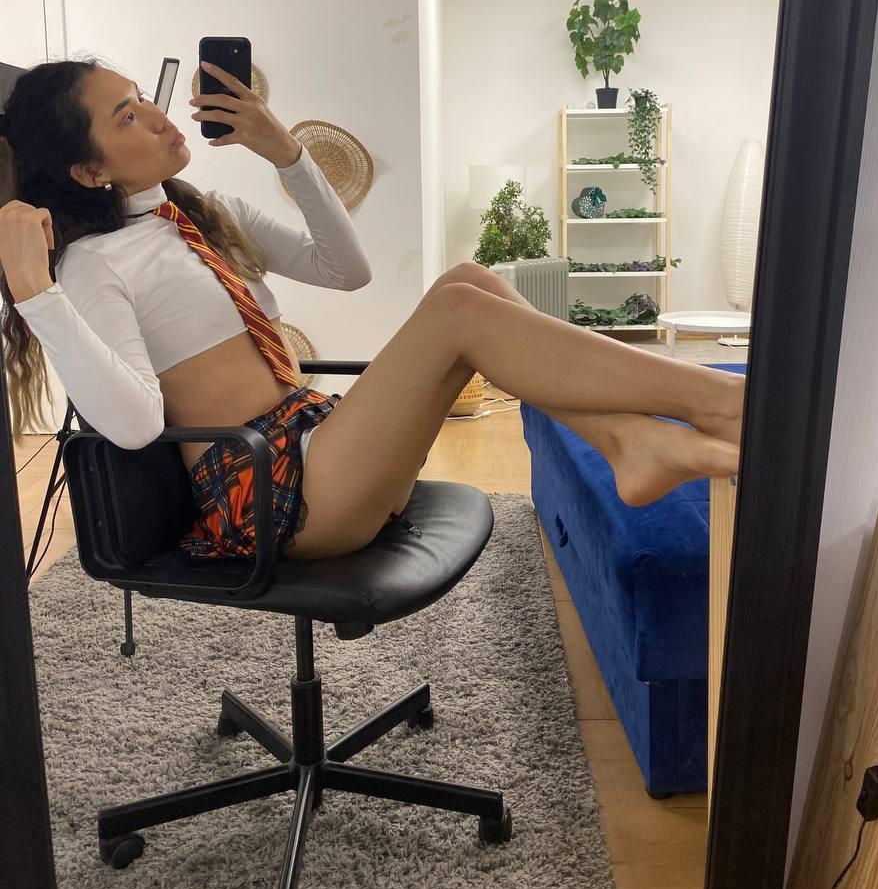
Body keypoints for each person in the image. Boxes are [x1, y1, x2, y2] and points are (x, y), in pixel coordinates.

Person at [0, 59, 745, 563]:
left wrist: (288, 155)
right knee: (459, 310)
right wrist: (37, 294)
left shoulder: (201, 213)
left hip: (315, 441)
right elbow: (133, 426)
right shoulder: (95, 264)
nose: (160, 120)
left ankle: (628, 443)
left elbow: (346, 271)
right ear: (89, 170)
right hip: (267, 491)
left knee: (467, 280)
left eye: (146, 100)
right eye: (129, 117)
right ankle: (722, 401)